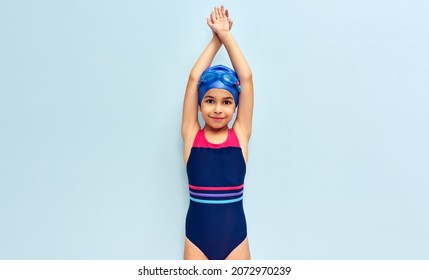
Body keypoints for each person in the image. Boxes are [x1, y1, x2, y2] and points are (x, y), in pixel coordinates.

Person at [181, 5, 254, 260]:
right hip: (196, 240)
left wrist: (226, 36)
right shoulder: (192, 136)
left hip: (235, 240)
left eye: (226, 102)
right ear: (199, 105)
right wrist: (215, 40)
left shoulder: (240, 135)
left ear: (236, 106)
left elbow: (246, 79)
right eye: (209, 101)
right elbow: (193, 79)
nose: (218, 109)